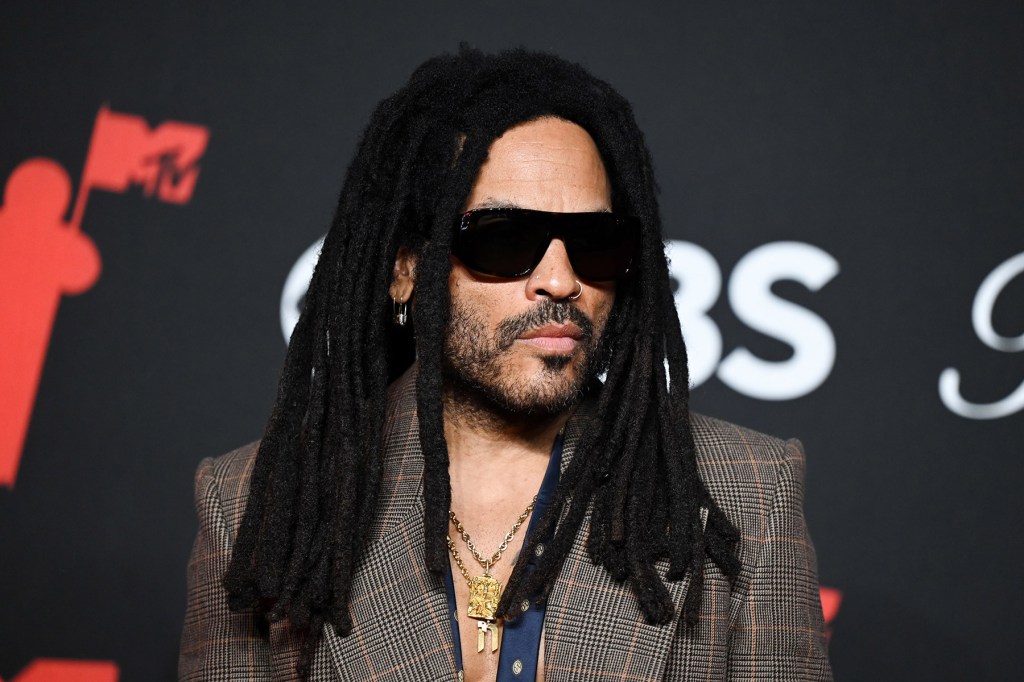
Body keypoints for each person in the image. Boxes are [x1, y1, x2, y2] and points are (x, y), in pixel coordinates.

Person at [179, 47, 832, 682]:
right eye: (505, 240)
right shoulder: (256, 503)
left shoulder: (747, 491)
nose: (560, 281)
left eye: (595, 243)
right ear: (407, 269)